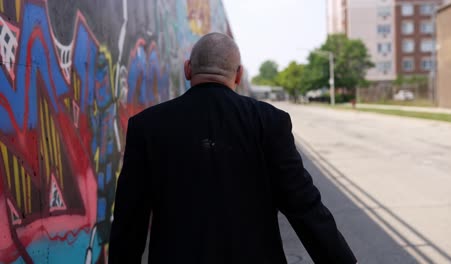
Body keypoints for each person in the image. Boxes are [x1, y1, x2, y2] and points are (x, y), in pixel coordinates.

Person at [108, 32, 356, 264]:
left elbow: (130, 219)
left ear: (188, 69)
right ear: (238, 75)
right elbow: (304, 205)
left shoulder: (147, 126)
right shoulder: (269, 121)